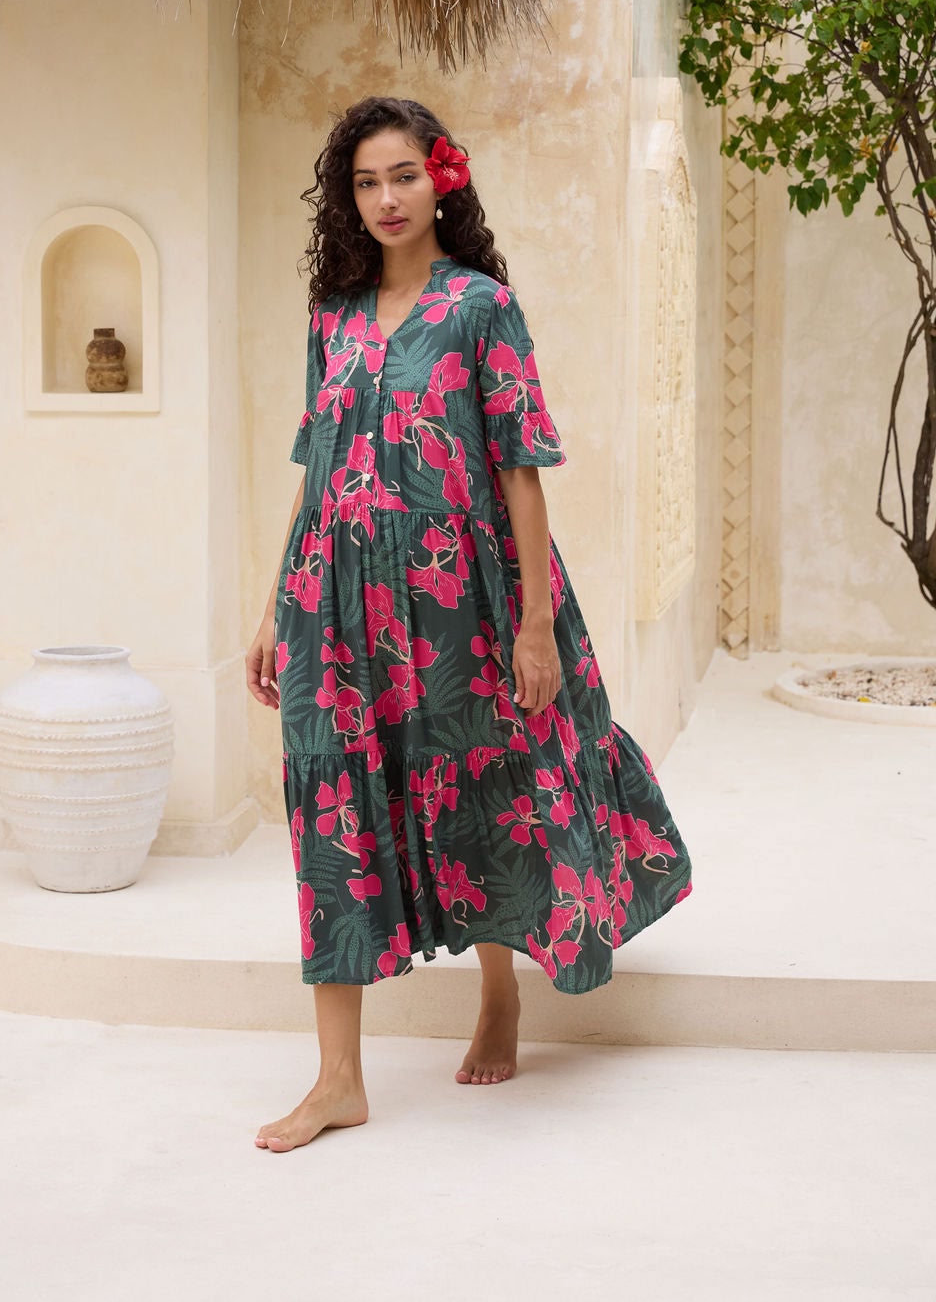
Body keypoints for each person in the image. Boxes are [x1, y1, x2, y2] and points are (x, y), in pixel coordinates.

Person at [246, 96, 693, 1153]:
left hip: (461, 600)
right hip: (333, 604)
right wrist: (272, 603)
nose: (385, 198)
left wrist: (535, 622)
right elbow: (318, 470)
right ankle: (338, 1077)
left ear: (439, 178)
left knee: (482, 778)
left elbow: (518, 468)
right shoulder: (333, 312)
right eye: (363, 182)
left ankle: (500, 988)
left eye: (401, 174)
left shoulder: (479, 306)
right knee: (332, 807)